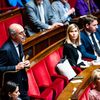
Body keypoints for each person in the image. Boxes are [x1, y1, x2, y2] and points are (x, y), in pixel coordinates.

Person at [0, 23, 30, 100]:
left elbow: (19, 58)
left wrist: (25, 62)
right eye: (21, 33)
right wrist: (15, 67)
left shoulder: (19, 42)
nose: (24, 35)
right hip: (13, 87)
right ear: (13, 36)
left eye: (24, 31)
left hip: (22, 82)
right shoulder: (5, 49)